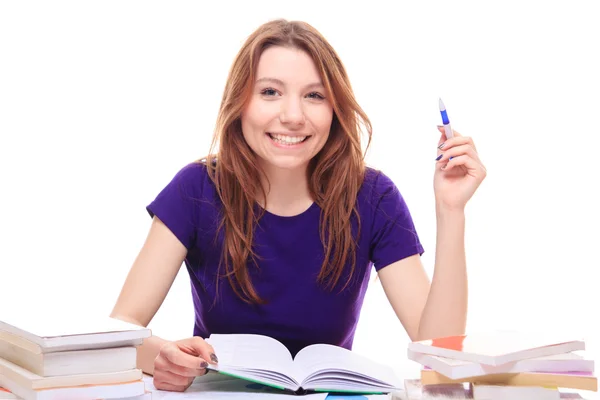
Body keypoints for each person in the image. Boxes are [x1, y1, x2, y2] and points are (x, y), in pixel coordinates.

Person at [110, 18, 486, 392]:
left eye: (314, 96)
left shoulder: (373, 197)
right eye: (270, 92)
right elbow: (122, 330)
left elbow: (440, 353)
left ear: (335, 109)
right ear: (240, 102)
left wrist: (451, 211)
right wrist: (163, 354)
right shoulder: (196, 188)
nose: (292, 116)